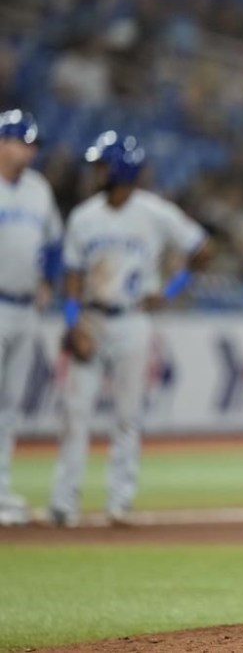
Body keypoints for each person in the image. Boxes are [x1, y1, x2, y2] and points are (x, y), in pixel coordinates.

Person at [49, 130, 210, 527]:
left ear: (120, 168)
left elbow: (201, 248)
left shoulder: (154, 212)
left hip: (133, 320)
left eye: (102, 165)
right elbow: (71, 276)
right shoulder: (84, 216)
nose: (96, 172)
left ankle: (119, 501)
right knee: (75, 413)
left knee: (127, 415)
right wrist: (72, 324)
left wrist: (170, 290)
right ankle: (64, 504)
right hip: (90, 317)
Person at [0, 110, 62, 526]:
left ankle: (1, 489)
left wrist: (48, 282)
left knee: (9, 407)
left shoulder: (39, 189)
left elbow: (55, 244)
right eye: (22, 141)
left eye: (33, 143)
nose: (29, 150)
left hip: (25, 308)